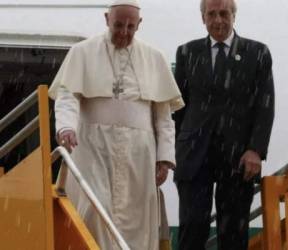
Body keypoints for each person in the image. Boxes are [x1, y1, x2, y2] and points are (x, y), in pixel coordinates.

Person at [48, 0, 184, 249]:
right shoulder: (82, 52)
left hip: (139, 153)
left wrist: (164, 157)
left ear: (139, 24)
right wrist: (66, 127)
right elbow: (67, 96)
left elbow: (164, 116)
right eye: (118, 25)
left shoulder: (154, 58)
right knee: (93, 208)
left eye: (131, 27)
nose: (124, 32)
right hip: (92, 146)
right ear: (106, 19)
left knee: (137, 219)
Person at [173, 0, 274, 249]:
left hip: (239, 158)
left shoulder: (257, 52)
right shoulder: (186, 53)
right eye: (211, 14)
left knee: (233, 234)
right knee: (191, 227)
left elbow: (265, 105)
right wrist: (174, 149)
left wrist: (256, 150)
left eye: (224, 13)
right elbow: (178, 107)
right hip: (194, 157)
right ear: (203, 18)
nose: (218, 20)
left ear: (233, 15)